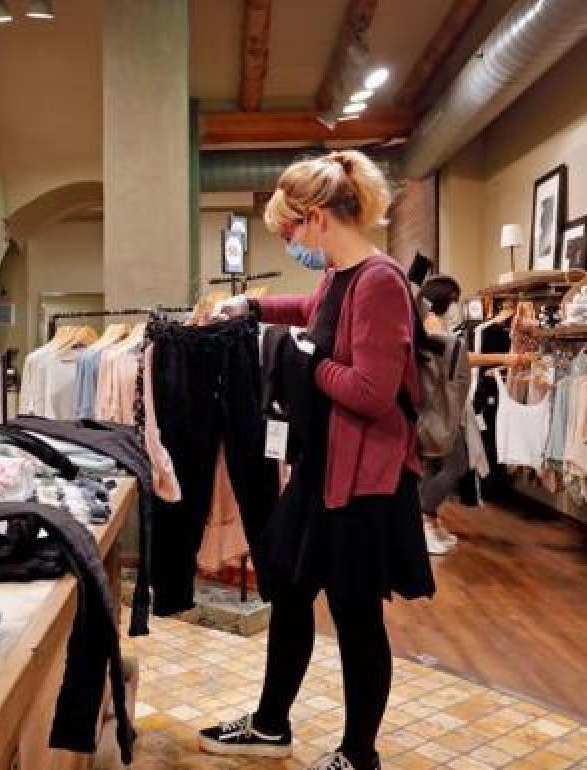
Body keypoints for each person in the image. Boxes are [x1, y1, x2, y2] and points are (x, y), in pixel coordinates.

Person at [201, 150, 434, 770]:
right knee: (292, 589)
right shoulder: (339, 275)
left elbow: (372, 391)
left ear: (319, 218)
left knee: (355, 617)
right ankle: (272, 724)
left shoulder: (381, 281)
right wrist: (255, 309)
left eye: (290, 231)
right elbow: (314, 313)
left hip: (364, 481)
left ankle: (359, 754)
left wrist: (301, 360)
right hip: (324, 470)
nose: (290, 242)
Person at [416, 275, 465, 555]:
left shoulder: (433, 325)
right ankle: (423, 515)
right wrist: (504, 359)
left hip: (439, 407)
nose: (456, 305)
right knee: (456, 463)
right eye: (455, 299)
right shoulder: (431, 327)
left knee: (434, 467)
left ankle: (430, 523)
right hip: (437, 408)